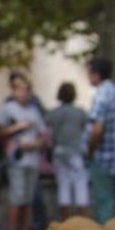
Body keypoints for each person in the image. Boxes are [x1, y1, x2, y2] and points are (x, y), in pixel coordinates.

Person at [0, 72, 46, 230]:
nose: (23, 93)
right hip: (16, 160)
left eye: (26, 90)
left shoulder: (34, 111)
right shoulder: (7, 109)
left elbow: (44, 135)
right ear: (14, 91)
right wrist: (17, 127)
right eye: (19, 90)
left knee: (28, 198)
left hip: (32, 159)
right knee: (16, 197)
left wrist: (36, 144)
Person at [86, 57, 115, 223]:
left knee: (105, 202)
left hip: (103, 157)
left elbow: (98, 128)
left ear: (96, 74)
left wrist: (90, 149)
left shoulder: (102, 95)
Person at [45, 82, 90, 219]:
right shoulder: (79, 113)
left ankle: (66, 221)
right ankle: (83, 221)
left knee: (63, 188)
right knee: (80, 187)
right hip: (75, 153)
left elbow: (47, 131)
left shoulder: (53, 113)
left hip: (59, 153)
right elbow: (87, 129)